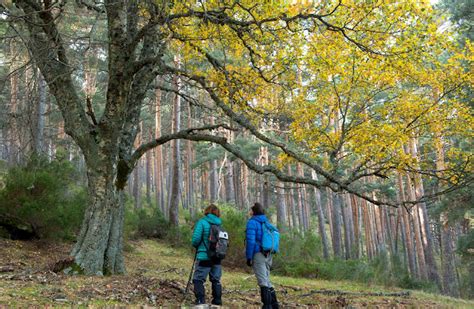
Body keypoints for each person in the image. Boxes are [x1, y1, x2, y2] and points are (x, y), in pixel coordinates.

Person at [245, 202, 279, 309]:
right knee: (267, 280)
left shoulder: (252, 222)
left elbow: (250, 241)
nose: (249, 211)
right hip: (268, 254)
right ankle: (274, 304)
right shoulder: (265, 221)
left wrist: (249, 257)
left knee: (263, 281)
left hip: (258, 254)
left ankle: (267, 305)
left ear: (253, 211)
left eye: (251, 210)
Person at [191, 204, 223, 306]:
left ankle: (200, 301)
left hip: (204, 256)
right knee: (216, 279)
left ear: (207, 211)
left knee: (198, 279)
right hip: (217, 257)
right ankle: (217, 301)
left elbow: (195, 240)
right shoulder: (219, 225)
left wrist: (196, 245)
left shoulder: (202, 222)